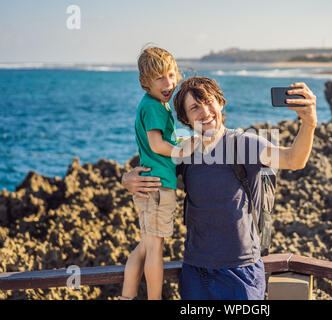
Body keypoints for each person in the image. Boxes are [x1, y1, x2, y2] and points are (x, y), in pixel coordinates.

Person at [122, 76, 317, 299]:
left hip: (241, 272)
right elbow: (152, 175)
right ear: (185, 119)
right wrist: (127, 180)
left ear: (221, 102)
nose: (205, 112)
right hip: (195, 273)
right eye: (194, 107)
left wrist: (309, 123)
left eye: (209, 101)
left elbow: (294, 160)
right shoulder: (185, 152)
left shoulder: (246, 144)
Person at [119, 46, 196, 300]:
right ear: (145, 83)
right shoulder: (153, 107)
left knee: (144, 247)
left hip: (153, 186)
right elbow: (156, 145)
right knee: (155, 249)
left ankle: (127, 296)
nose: (169, 82)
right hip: (158, 188)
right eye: (160, 78)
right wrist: (185, 150)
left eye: (172, 75)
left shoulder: (155, 105)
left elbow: (160, 142)